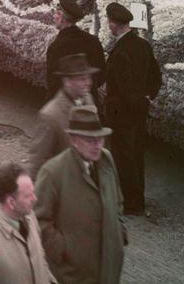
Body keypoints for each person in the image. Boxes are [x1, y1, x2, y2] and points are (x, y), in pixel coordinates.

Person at [34, 106, 125, 284]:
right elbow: (38, 221)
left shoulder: (106, 160)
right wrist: (65, 250)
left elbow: (118, 200)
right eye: (90, 140)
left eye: (100, 138)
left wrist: (119, 231)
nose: (98, 145)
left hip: (108, 270)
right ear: (74, 140)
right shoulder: (52, 172)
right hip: (73, 276)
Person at [102, 1, 161, 215]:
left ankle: (131, 204)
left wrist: (132, 100)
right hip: (139, 112)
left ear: (114, 24)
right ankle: (138, 199)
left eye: (109, 22)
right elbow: (156, 77)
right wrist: (148, 97)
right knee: (136, 156)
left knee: (123, 158)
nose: (109, 26)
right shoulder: (143, 46)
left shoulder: (120, 52)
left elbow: (124, 88)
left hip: (121, 113)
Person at [30, 55, 97, 176]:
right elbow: (38, 162)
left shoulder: (89, 99)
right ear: (67, 82)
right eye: (82, 79)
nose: (88, 83)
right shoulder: (50, 115)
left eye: (89, 78)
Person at [45, 0, 106, 99]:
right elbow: (101, 75)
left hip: (65, 105)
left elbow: (52, 83)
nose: (53, 17)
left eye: (55, 13)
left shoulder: (56, 46)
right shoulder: (93, 41)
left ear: (61, 17)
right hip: (88, 102)